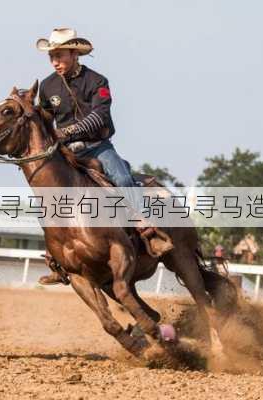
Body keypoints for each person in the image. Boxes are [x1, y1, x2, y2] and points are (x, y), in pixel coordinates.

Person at [36, 28, 173, 285]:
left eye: (60, 55)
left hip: (97, 146)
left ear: (75, 54)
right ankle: (57, 259)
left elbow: (99, 116)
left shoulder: (97, 81)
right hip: (66, 153)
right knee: (45, 201)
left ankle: (145, 226)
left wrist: (68, 130)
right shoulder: (47, 86)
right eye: (51, 56)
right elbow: (45, 121)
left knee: (121, 178)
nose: (55, 61)